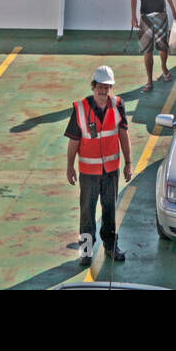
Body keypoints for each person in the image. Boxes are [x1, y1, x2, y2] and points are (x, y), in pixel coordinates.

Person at [65, 65, 131, 266]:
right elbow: (74, 141)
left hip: (111, 171)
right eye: (100, 87)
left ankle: (110, 246)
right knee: (87, 212)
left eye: (107, 87)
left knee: (110, 209)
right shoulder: (80, 109)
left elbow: (123, 135)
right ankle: (86, 252)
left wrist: (128, 163)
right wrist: (70, 167)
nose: (103, 91)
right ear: (93, 86)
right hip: (88, 172)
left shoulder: (118, 105)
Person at [130, 0, 176, 93]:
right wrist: (133, 16)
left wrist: (174, 10)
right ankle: (149, 80)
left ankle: (164, 67)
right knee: (147, 50)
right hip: (145, 16)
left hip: (161, 15)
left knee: (163, 47)